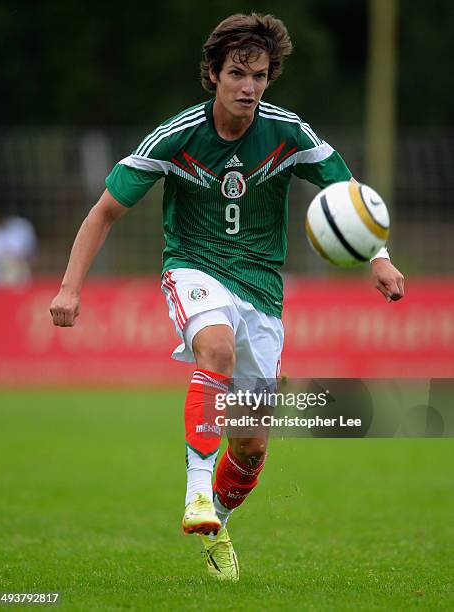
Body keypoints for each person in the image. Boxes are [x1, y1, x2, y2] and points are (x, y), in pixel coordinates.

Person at [50, 13, 405, 582]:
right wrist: (70, 287)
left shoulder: (289, 132)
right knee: (214, 349)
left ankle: (216, 518)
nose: (249, 86)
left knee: (253, 446)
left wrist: (378, 257)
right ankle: (195, 492)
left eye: (260, 75)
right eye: (237, 73)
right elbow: (106, 211)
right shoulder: (177, 136)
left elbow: (348, 193)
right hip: (195, 268)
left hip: (262, 290)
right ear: (212, 74)